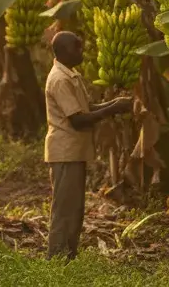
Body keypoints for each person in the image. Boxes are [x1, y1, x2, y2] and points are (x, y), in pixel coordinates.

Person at [44, 30, 134, 260]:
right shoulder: (59, 79)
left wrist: (116, 103)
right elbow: (78, 120)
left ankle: (68, 258)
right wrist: (113, 109)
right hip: (65, 152)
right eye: (76, 47)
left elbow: (87, 108)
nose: (81, 51)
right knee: (64, 210)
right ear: (63, 51)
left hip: (74, 152)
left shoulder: (70, 74)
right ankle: (56, 261)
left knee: (74, 210)